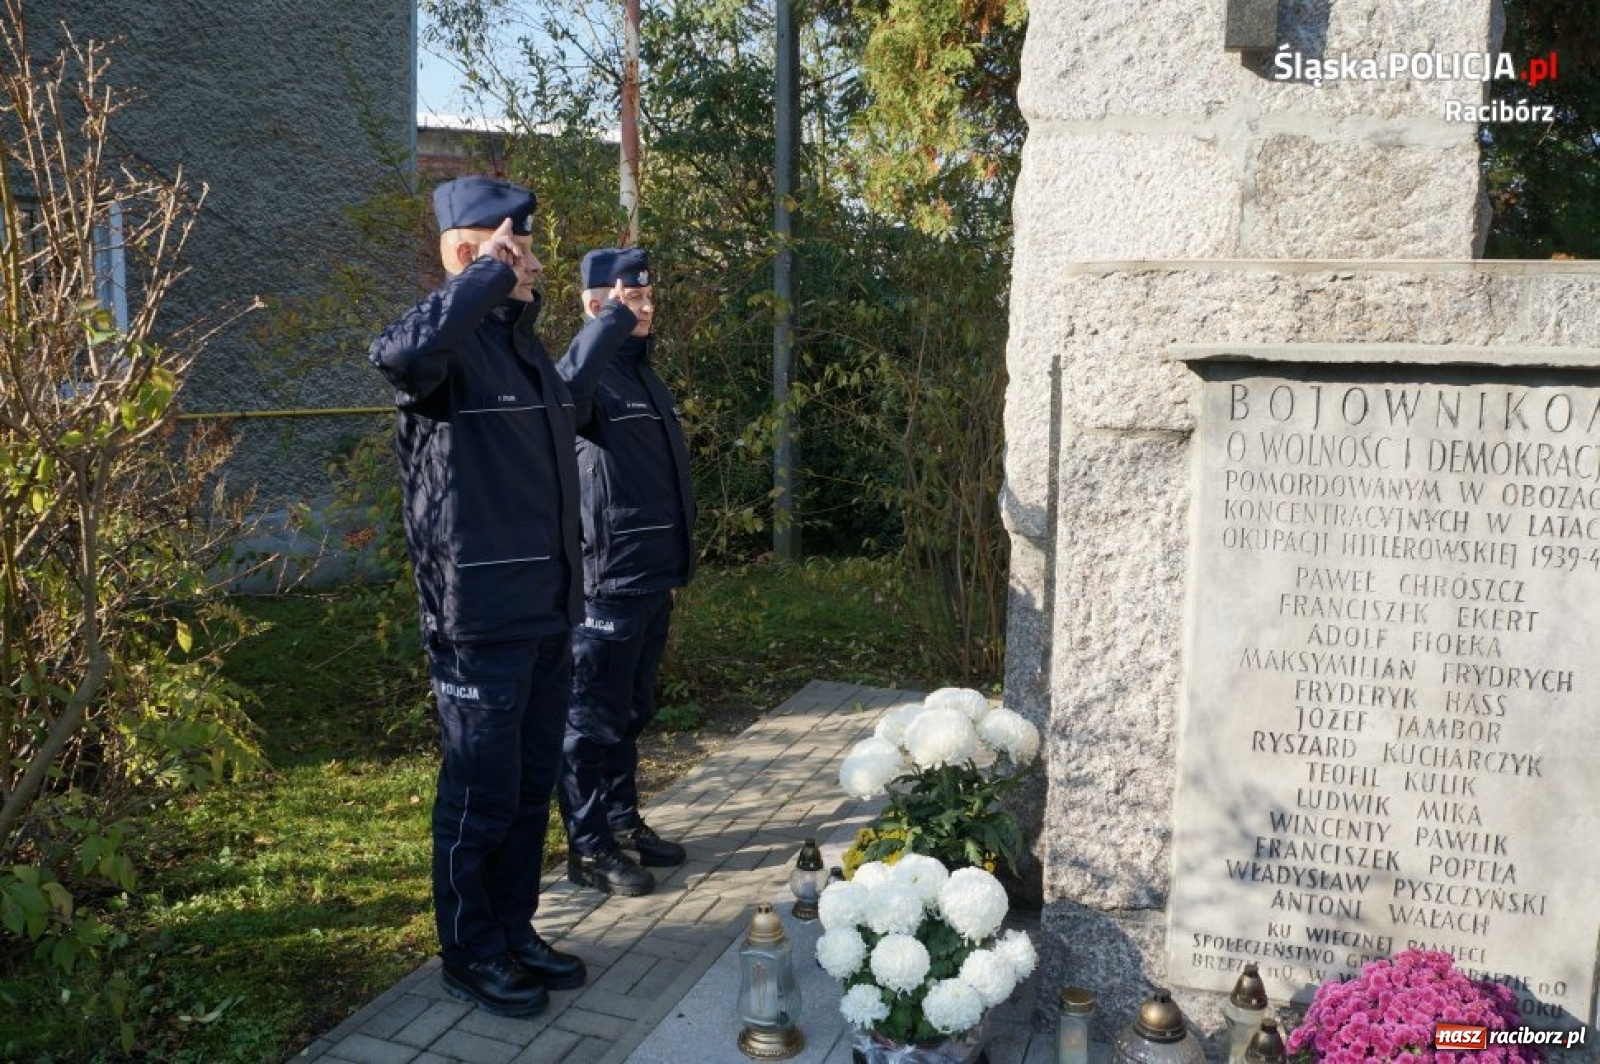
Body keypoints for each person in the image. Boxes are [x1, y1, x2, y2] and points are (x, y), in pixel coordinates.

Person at [368, 176, 639, 1017]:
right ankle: (470, 952)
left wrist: (608, 320)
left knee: (526, 794)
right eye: (519, 245)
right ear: (472, 249)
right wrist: (480, 275)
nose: (537, 262)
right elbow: (399, 353)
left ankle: (514, 931)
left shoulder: (519, 348)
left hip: (546, 615)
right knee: (479, 799)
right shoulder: (445, 354)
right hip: (477, 621)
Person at [556, 246, 696, 897]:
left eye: (645, 299)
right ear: (593, 303)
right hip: (605, 584)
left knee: (631, 712)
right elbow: (562, 399)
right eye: (626, 300)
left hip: (651, 580)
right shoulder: (588, 380)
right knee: (591, 723)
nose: (641, 309)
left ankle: (621, 821)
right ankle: (588, 850)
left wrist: (674, 567)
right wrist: (603, 328)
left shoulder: (646, 378)